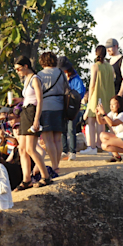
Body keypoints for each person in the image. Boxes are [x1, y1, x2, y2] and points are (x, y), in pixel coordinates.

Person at [13, 56, 51, 190]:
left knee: (31, 148)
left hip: (32, 112)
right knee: (22, 148)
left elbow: (40, 101)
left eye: (18, 68)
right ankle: (26, 179)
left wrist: (36, 119)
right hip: (25, 111)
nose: (17, 71)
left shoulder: (35, 79)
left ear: (26, 66)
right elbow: (29, 97)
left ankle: (45, 176)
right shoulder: (26, 79)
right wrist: (19, 100)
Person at [37, 51, 67, 174]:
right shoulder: (61, 73)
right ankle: (57, 165)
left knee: (48, 139)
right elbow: (66, 89)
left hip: (45, 106)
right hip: (60, 106)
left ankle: (54, 165)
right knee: (58, 139)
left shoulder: (40, 74)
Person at [83, 45, 115, 155]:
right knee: (103, 122)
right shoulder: (110, 67)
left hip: (96, 96)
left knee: (91, 121)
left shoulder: (95, 66)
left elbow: (92, 85)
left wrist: (89, 99)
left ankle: (92, 147)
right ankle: (101, 144)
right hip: (108, 96)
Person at [96, 95, 123, 162]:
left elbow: (112, 123)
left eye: (114, 104)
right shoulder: (113, 113)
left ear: (119, 104)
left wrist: (103, 113)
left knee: (104, 145)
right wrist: (98, 115)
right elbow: (102, 122)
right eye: (110, 104)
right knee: (102, 135)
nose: (111, 106)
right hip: (121, 138)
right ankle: (116, 156)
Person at [60, 60, 86, 161]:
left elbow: (80, 93)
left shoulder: (76, 78)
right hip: (62, 105)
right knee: (62, 129)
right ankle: (64, 150)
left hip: (72, 107)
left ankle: (72, 151)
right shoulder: (60, 77)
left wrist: (71, 95)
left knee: (71, 129)